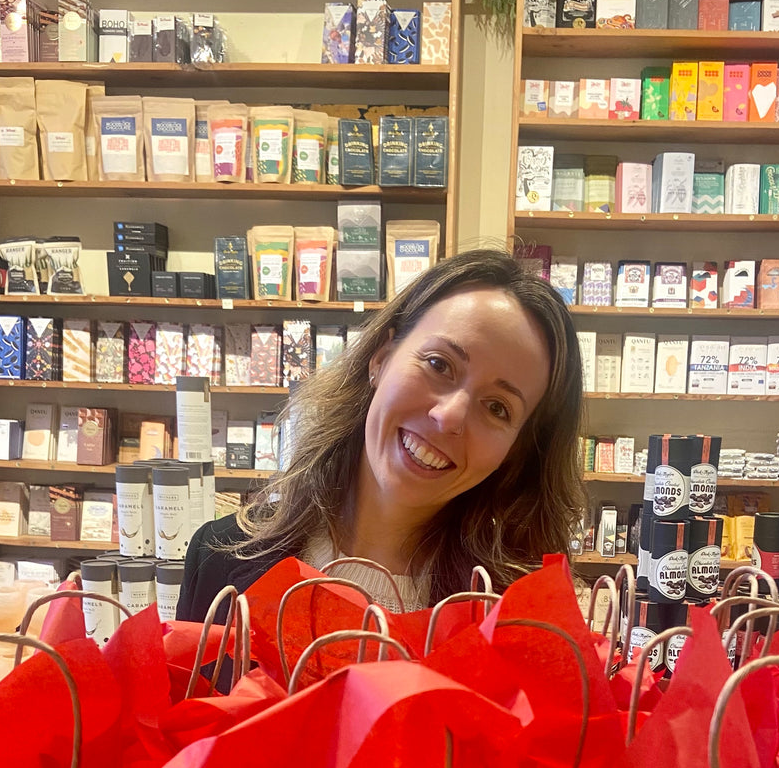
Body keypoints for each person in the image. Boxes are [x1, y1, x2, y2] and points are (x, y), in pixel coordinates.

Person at [177, 247, 585, 620]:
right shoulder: (221, 558)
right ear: (382, 357)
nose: (449, 416)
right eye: (439, 365)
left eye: (498, 408)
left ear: (516, 451)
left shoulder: (516, 616)